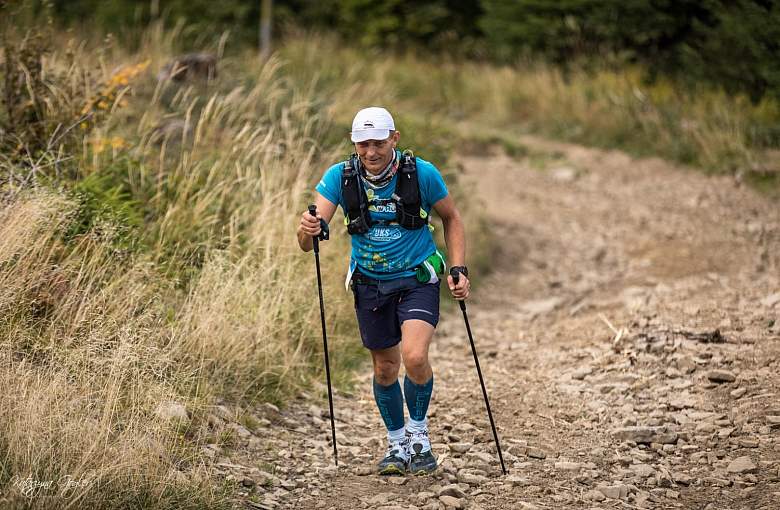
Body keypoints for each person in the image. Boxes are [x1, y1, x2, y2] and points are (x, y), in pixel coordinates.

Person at [297, 106, 469, 475]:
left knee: (415, 356)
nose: (370, 152)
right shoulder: (339, 178)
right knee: (385, 368)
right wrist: (308, 228)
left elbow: (451, 218)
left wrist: (458, 268)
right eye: (363, 144)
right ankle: (397, 443)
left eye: (378, 143)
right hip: (370, 283)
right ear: (354, 144)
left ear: (395, 139)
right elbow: (308, 241)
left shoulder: (422, 173)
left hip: (417, 279)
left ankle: (419, 437)